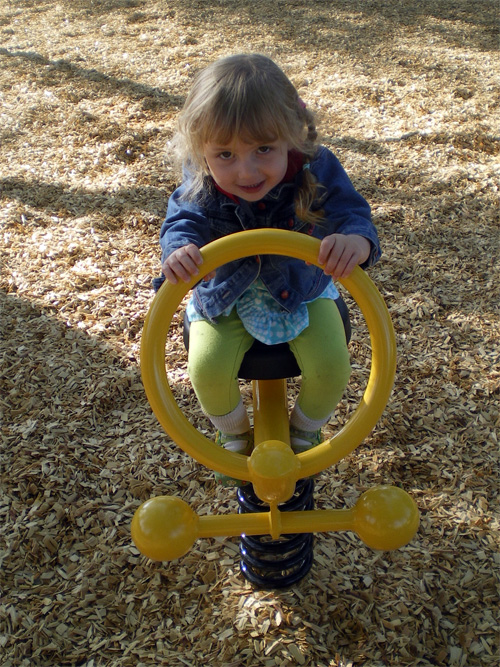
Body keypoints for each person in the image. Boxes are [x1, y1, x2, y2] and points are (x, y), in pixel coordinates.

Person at [155, 53, 381, 486]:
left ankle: (305, 431)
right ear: (202, 152)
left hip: (303, 286)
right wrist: (180, 250)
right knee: (206, 367)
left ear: (291, 135)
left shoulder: (316, 166)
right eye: (225, 154)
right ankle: (234, 435)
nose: (247, 170)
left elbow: (351, 212)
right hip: (226, 291)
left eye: (263, 149)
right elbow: (182, 221)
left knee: (332, 365)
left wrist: (356, 241)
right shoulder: (201, 179)